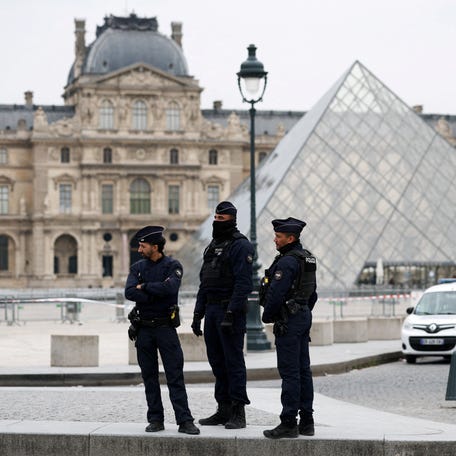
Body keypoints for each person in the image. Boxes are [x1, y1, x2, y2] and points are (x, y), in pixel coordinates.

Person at [124, 225, 199, 435]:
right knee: (149, 377)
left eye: (142, 246)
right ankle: (155, 419)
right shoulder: (137, 267)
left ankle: (185, 420)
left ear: (155, 246)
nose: (139, 249)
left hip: (166, 328)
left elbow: (171, 289)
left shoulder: (173, 265)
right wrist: (156, 290)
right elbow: (129, 292)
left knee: (175, 376)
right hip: (144, 329)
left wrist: (145, 287)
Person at [191, 201, 254, 429]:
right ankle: (223, 408)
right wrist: (198, 313)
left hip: (230, 311)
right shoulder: (212, 246)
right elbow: (204, 282)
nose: (217, 223)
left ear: (232, 220)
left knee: (233, 362)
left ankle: (238, 411)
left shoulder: (241, 246)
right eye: (215, 219)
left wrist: (231, 312)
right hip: (212, 310)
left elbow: (244, 284)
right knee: (217, 362)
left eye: (221, 220)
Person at [260, 217, 317, 439]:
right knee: (304, 370)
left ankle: (288, 422)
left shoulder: (286, 262)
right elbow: (313, 293)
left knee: (290, 373)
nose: (275, 240)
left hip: (289, 321)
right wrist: (302, 310)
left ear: (290, 238)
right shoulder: (308, 258)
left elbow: (275, 295)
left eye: (279, 236)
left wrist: (269, 315)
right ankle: (307, 422)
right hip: (302, 316)